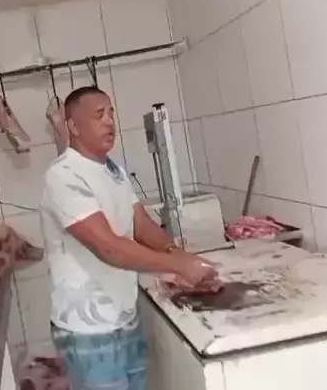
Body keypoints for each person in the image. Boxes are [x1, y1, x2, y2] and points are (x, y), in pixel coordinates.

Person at [38, 86, 219, 390]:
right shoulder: (64, 175)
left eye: (111, 113)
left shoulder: (113, 171)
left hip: (125, 319)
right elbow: (108, 247)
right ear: (73, 126)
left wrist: (177, 253)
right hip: (88, 333)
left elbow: (140, 224)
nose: (110, 121)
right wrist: (178, 266)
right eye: (99, 115)